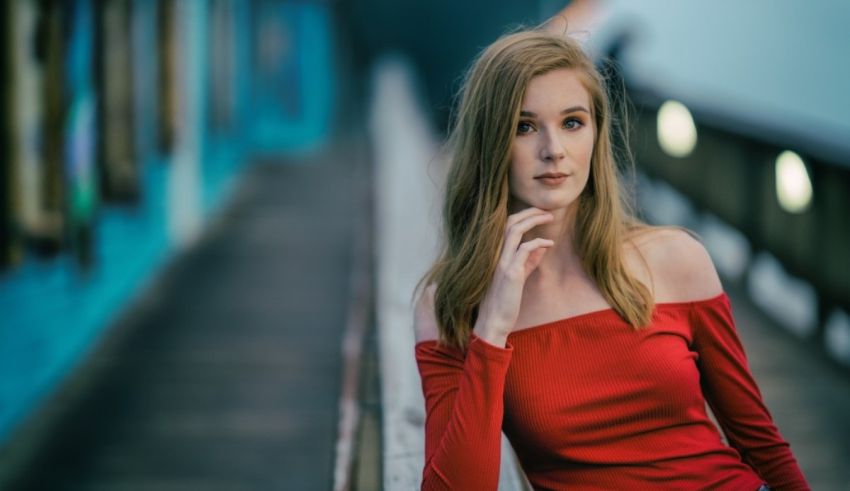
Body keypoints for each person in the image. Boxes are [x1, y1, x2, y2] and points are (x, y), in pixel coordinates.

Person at [413, 27, 810, 491]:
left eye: (572, 122)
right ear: (489, 142)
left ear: (596, 134)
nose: (553, 150)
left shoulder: (677, 259)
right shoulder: (452, 306)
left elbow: (761, 443)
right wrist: (493, 330)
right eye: (524, 127)